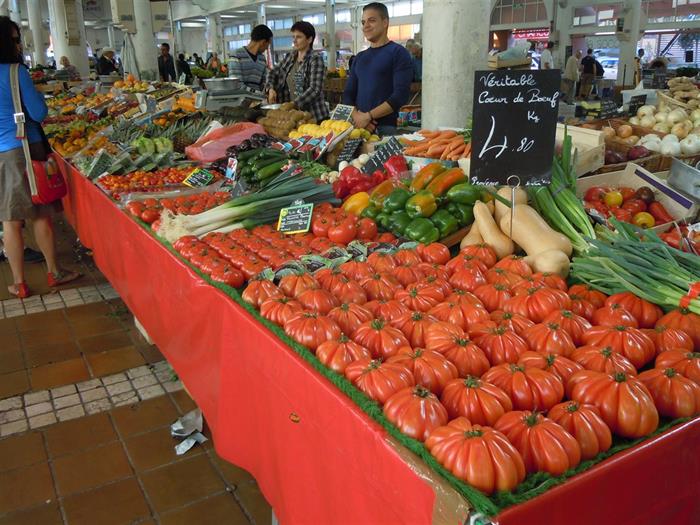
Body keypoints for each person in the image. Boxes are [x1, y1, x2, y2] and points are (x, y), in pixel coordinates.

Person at [0, 17, 80, 298]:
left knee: (9, 220)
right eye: (14, 39)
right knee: (40, 215)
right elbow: (38, 113)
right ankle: (54, 272)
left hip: (1, 154)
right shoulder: (16, 72)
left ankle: (19, 283)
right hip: (26, 149)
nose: (19, 44)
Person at [342, 2, 413, 135]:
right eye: (363, 22)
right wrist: (357, 117)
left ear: (385, 22)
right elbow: (348, 94)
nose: (366, 26)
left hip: (385, 128)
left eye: (372, 20)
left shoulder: (398, 53)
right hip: (359, 127)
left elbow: (400, 95)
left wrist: (368, 116)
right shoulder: (360, 57)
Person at [266, 21, 329, 123]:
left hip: (315, 117)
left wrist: (294, 104)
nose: (294, 40)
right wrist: (270, 88)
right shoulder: (290, 57)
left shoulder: (315, 59)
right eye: (293, 37)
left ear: (309, 39)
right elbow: (272, 72)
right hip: (296, 117)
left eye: (299, 37)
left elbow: (315, 89)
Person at [229, 24, 272, 91]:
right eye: (268, 45)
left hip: (258, 97)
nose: (267, 48)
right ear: (263, 42)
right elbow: (236, 85)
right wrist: (257, 93)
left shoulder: (262, 59)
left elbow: (264, 83)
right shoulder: (236, 56)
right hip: (241, 97)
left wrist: (269, 90)